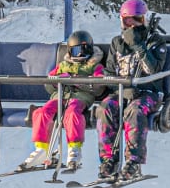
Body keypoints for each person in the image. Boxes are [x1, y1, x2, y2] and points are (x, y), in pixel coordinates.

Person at [94, 0, 166, 181]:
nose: (132, 24)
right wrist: (118, 86)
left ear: (144, 19)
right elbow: (109, 72)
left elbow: (153, 70)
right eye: (128, 21)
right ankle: (108, 160)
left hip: (148, 93)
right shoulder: (117, 43)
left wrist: (138, 47)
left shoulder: (155, 42)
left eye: (137, 20)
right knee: (105, 108)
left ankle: (133, 162)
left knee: (134, 111)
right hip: (121, 91)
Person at [21, 29, 108, 171]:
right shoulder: (63, 65)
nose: (80, 54)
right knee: (42, 112)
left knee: (72, 114)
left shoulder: (95, 65)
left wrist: (83, 81)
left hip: (80, 97)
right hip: (60, 96)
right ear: (69, 52)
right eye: (76, 51)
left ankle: (74, 149)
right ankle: (41, 148)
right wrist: (57, 80)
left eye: (84, 50)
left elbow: (100, 86)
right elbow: (49, 83)